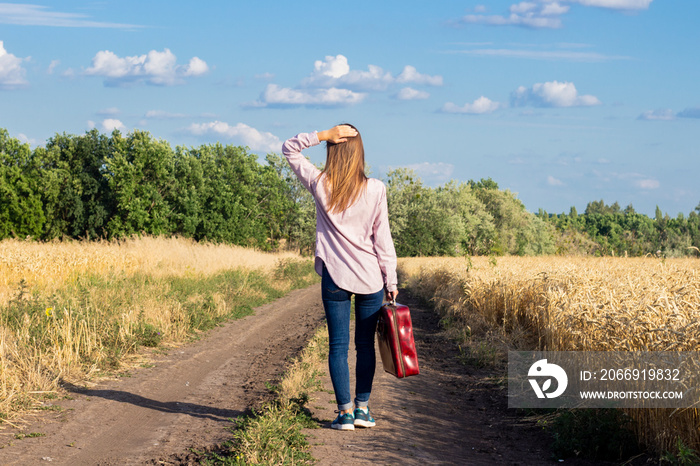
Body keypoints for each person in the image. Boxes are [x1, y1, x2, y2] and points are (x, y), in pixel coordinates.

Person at [282, 124, 398, 431]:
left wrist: (321, 135)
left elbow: (289, 148)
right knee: (364, 346)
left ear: (333, 149)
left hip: (334, 276)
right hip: (371, 278)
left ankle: (344, 414)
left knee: (337, 346)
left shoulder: (320, 183)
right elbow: (382, 239)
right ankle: (362, 410)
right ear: (360, 152)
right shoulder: (375, 189)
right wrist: (392, 281)